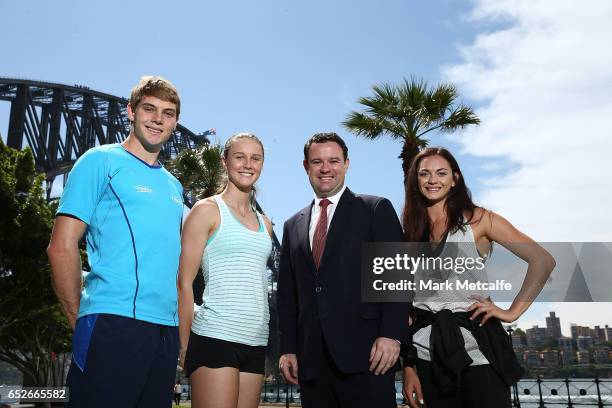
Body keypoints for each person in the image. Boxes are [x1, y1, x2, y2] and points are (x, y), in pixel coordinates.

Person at [47, 76, 184, 408]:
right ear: (131, 112)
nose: (157, 119)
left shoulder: (173, 185)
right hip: (112, 322)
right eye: (149, 109)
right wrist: (79, 317)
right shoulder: (100, 161)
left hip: (165, 331)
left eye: (167, 113)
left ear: (175, 122)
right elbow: (61, 246)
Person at [400, 147, 555, 408]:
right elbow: (406, 304)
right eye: (424, 174)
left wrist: (511, 312)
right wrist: (409, 368)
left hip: (478, 352)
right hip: (427, 355)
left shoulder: (480, 220)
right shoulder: (410, 230)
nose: (432, 180)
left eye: (441, 173)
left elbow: (543, 260)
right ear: (415, 180)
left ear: (455, 178)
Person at [277, 132, 410, 408]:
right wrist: (288, 348)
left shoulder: (375, 209)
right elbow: (287, 296)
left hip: (368, 357)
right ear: (306, 167)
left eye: (334, 161)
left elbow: (398, 276)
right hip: (312, 363)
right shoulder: (292, 225)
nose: (326, 169)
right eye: (317, 162)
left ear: (347, 164)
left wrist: (392, 334)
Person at [177, 133, 274, 408]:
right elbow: (183, 283)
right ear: (225, 162)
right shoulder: (206, 210)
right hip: (215, 336)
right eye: (239, 157)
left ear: (262, 164)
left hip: (255, 340)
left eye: (255, 158)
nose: (247, 164)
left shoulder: (265, 224)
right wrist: (185, 346)